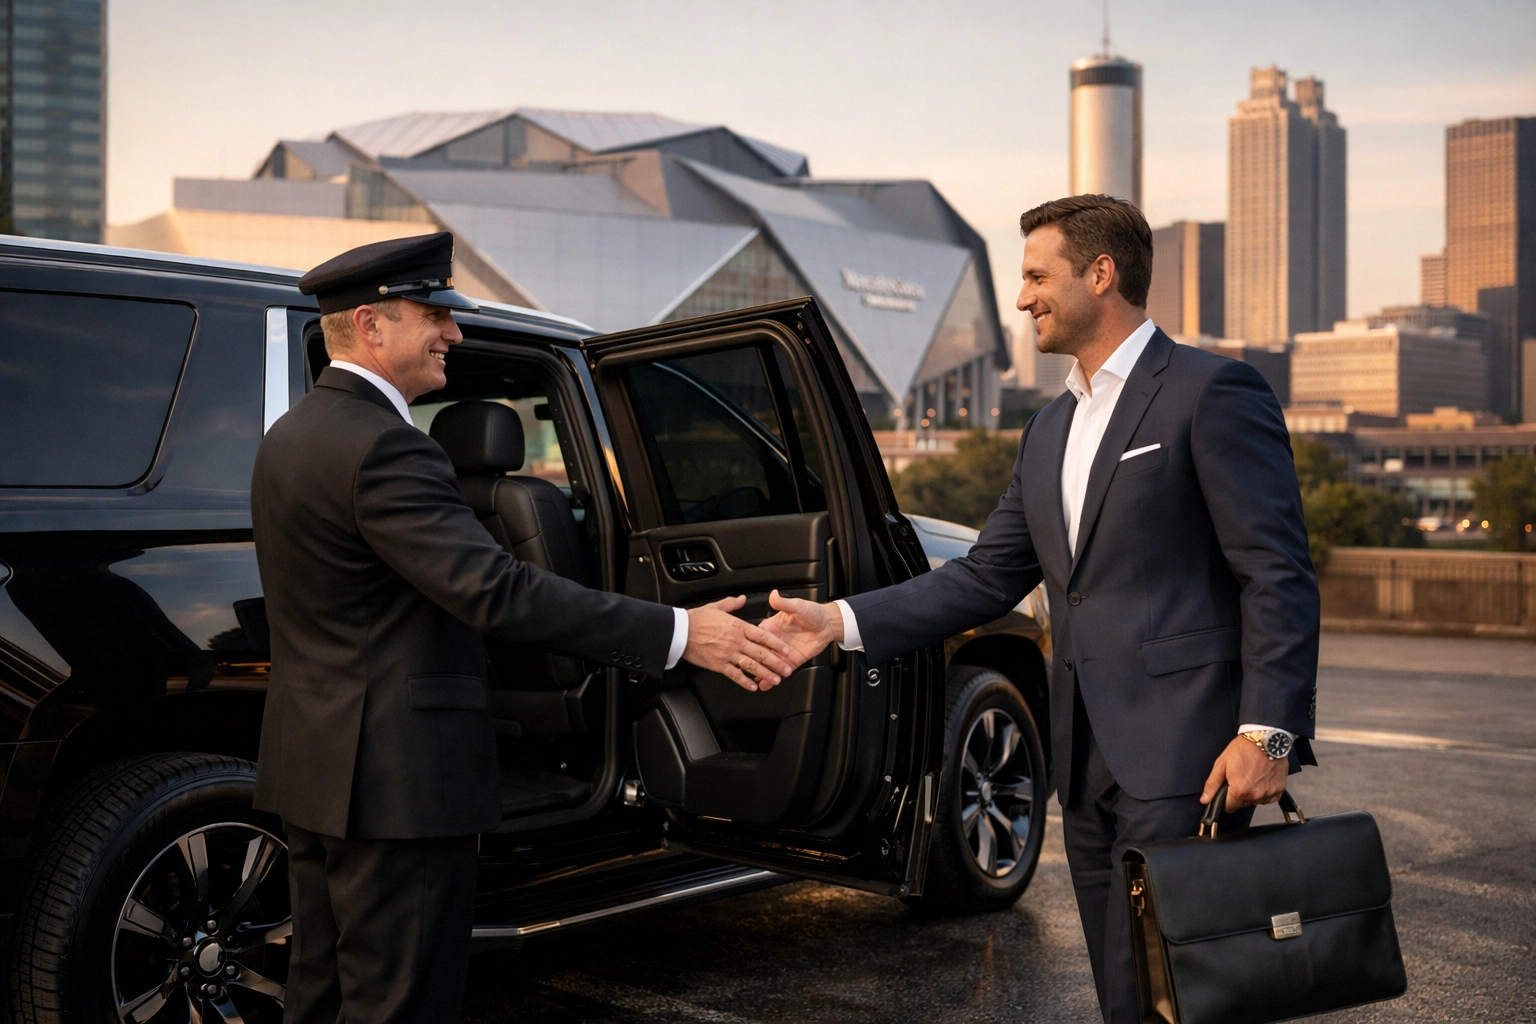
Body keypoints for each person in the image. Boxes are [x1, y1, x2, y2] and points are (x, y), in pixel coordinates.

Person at [761, 195, 1320, 1024]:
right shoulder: (1048, 429)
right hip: (1082, 756)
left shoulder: (1210, 391)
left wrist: (1267, 733)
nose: (1021, 298)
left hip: (1187, 755)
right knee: (1125, 990)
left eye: (1034, 275)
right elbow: (984, 577)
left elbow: (1276, 573)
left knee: (1195, 992)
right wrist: (838, 622)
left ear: (1102, 274)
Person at [251, 232, 795, 1024]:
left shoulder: (288, 439)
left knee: (321, 993)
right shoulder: (387, 448)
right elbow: (498, 592)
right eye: (433, 313)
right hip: (400, 785)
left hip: (316, 770)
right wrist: (679, 632)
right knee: (397, 1004)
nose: (455, 333)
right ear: (371, 325)